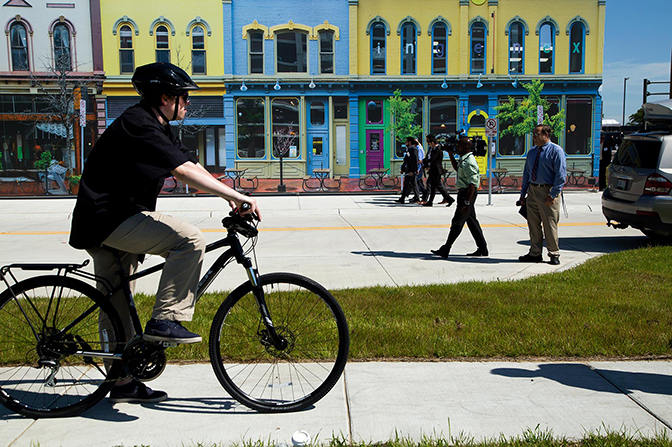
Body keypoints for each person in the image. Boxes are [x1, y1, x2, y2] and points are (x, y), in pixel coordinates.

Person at [69, 62, 260, 404]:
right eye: (183, 97)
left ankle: (123, 381)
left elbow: (192, 163)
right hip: (109, 219)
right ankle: (167, 320)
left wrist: (229, 193)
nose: (186, 103)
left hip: (108, 219)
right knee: (189, 240)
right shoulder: (138, 123)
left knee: (117, 303)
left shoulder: (156, 126)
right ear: (165, 97)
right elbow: (182, 170)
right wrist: (235, 196)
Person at [517, 124, 566, 265]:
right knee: (533, 224)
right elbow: (526, 173)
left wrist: (553, 194)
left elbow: (561, 176)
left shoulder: (556, 151)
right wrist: (523, 195)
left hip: (548, 191)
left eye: (537, 134)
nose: (534, 137)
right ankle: (535, 253)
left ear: (546, 135)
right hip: (533, 191)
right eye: (533, 134)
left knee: (549, 224)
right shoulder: (532, 152)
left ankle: (554, 253)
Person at [430, 137, 488, 258]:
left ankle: (446, 248)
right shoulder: (464, 159)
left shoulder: (469, 161)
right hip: (465, 193)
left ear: (466, 147)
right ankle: (482, 248)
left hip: (467, 194)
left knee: (457, 222)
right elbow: (457, 168)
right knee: (472, 222)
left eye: (459, 146)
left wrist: (467, 201)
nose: (457, 148)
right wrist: (451, 155)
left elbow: (473, 183)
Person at [420, 134, 454, 207]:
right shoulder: (433, 150)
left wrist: (423, 161)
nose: (429, 145)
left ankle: (449, 198)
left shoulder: (438, 150)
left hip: (436, 170)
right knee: (433, 187)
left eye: (430, 143)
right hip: (433, 170)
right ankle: (430, 201)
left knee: (438, 186)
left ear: (433, 143)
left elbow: (433, 159)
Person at [395, 139, 420, 204]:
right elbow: (406, 160)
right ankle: (416, 197)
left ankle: (403, 198)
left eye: (407, 141)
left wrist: (413, 170)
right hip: (408, 169)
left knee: (407, 184)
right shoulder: (409, 149)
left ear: (410, 142)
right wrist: (403, 169)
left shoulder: (413, 149)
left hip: (410, 170)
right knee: (413, 184)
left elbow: (414, 160)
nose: (405, 143)